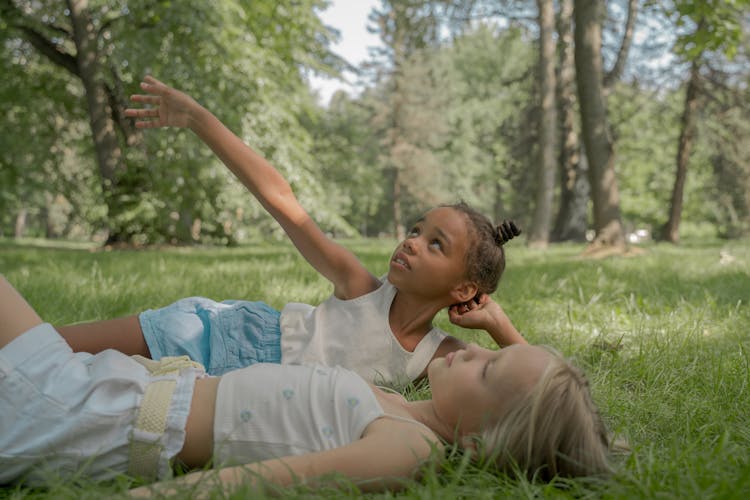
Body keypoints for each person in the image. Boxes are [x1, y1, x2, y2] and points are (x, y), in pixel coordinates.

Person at [58, 75, 526, 387]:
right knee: (47, 348)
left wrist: (498, 325)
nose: (411, 241)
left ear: (465, 287)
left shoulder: (437, 357)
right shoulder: (359, 286)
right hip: (222, 337)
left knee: (72, 387)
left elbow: (539, 380)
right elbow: (282, 200)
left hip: (235, 400)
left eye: (435, 244)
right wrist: (197, 118)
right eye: (416, 229)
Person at [0, 275, 612, 493]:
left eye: (487, 368)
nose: (473, 354)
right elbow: (525, 391)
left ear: (481, 443)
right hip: (117, 388)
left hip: (96, 415)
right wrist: (507, 338)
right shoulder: (398, 403)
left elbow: (263, 482)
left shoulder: (408, 445)